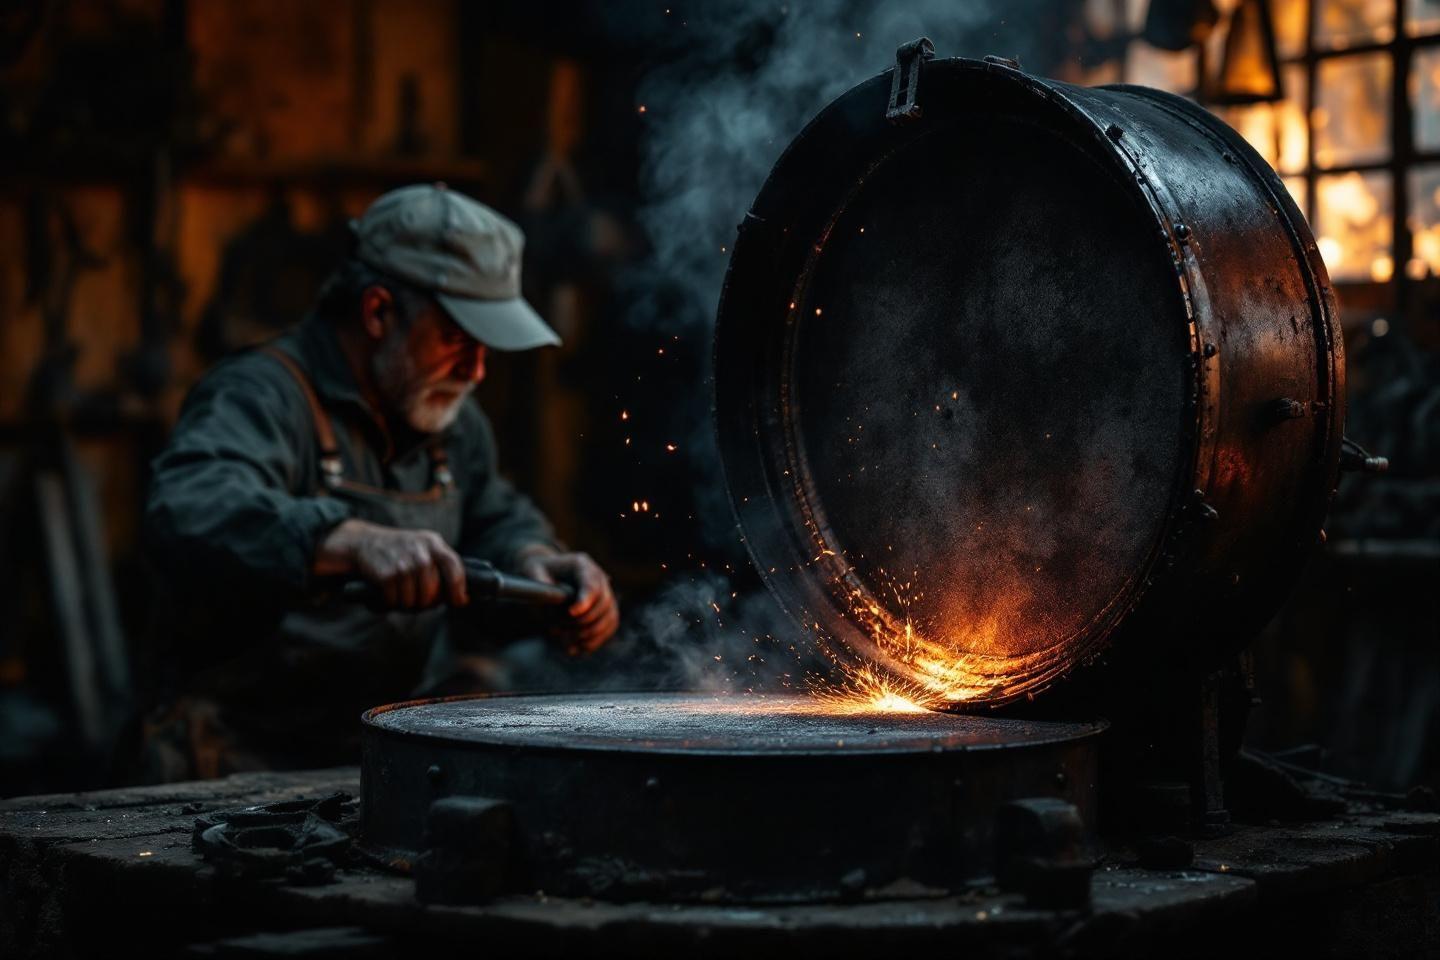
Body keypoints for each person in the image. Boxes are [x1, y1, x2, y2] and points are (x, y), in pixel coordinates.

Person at [140, 184, 618, 780]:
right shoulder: (260, 395)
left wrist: (536, 559)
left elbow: (494, 514)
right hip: (229, 759)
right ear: (377, 311)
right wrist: (349, 542)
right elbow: (189, 509)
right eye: (455, 338)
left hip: (373, 753)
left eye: (485, 347)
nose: (475, 370)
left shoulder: (452, 419)